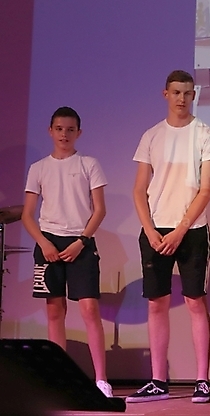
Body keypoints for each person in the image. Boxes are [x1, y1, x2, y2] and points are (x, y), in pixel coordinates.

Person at [127, 70, 210, 404]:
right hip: (156, 230)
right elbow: (139, 190)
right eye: (176, 92)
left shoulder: (205, 134)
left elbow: (206, 189)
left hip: (191, 230)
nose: (181, 98)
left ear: (194, 95)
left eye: (187, 93)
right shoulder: (151, 135)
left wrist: (181, 229)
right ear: (165, 94)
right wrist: (150, 229)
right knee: (157, 303)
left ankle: (202, 380)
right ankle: (158, 380)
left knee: (196, 301)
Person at [21, 106, 113, 398]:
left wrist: (82, 241)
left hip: (80, 243)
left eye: (70, 130)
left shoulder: (89, 164)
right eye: (59, 129)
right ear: (50, 131)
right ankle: (59, 380)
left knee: (89, 309)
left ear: (79, 133)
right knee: (54, 310)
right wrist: (44, 243)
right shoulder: (38, 168)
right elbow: (27, 215)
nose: (64, 134)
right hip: (48, 243)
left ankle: (101, 380)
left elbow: (99, 210)